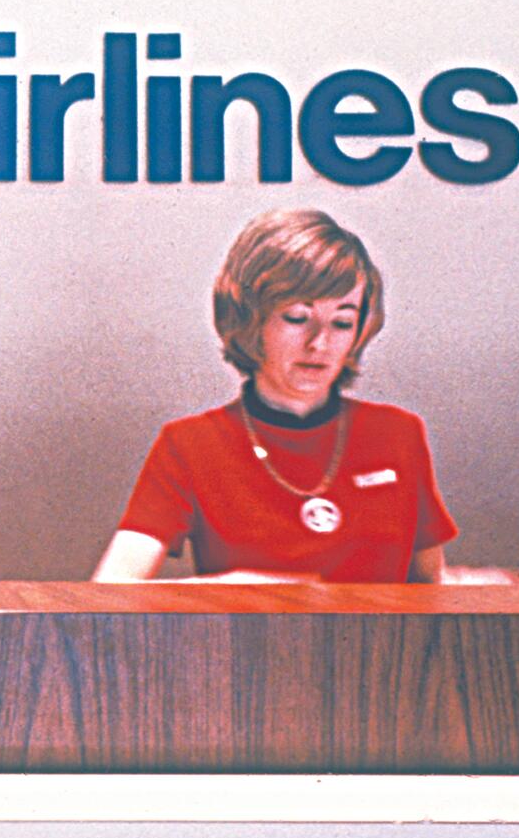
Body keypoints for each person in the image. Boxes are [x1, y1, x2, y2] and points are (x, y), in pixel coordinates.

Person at [92, 208, 455, 584]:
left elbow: (431, 587)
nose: (320, 343)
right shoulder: (191, 444)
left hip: (382, 645)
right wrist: (224, 589)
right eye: (298, 318)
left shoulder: (396, 433)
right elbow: (110, 592)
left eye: (343, 322)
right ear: (251, 318)